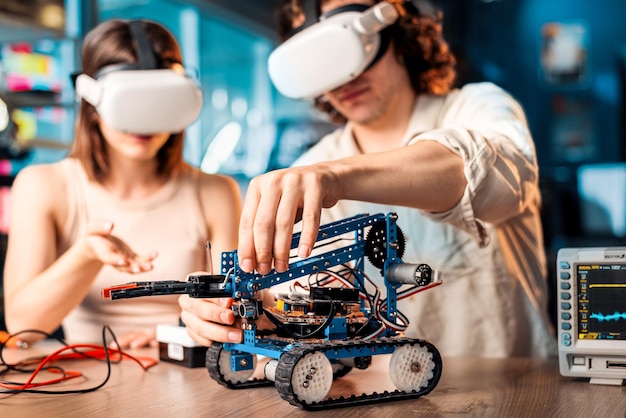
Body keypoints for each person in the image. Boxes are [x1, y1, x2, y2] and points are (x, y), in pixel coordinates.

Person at [181, 0, 557, 358]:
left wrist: (337, 177)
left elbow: (493, 175)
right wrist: (239, 311)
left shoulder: (477, 107)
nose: (345, 76)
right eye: (319, 62)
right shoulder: (313, 167)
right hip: (382, 394)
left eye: (351, 47)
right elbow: (303, 304)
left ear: (398, 32)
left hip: (516, 388)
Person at [2, 19, 242, 348]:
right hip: (89, 382)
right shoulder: (44, 186)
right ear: (91, 100)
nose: (142, 122)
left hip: (189, 373)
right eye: (129, 103)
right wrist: (86, 254)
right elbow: (22, 326)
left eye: (156, 102)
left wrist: (172, 334)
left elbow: (238, 312)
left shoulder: (216, 192)